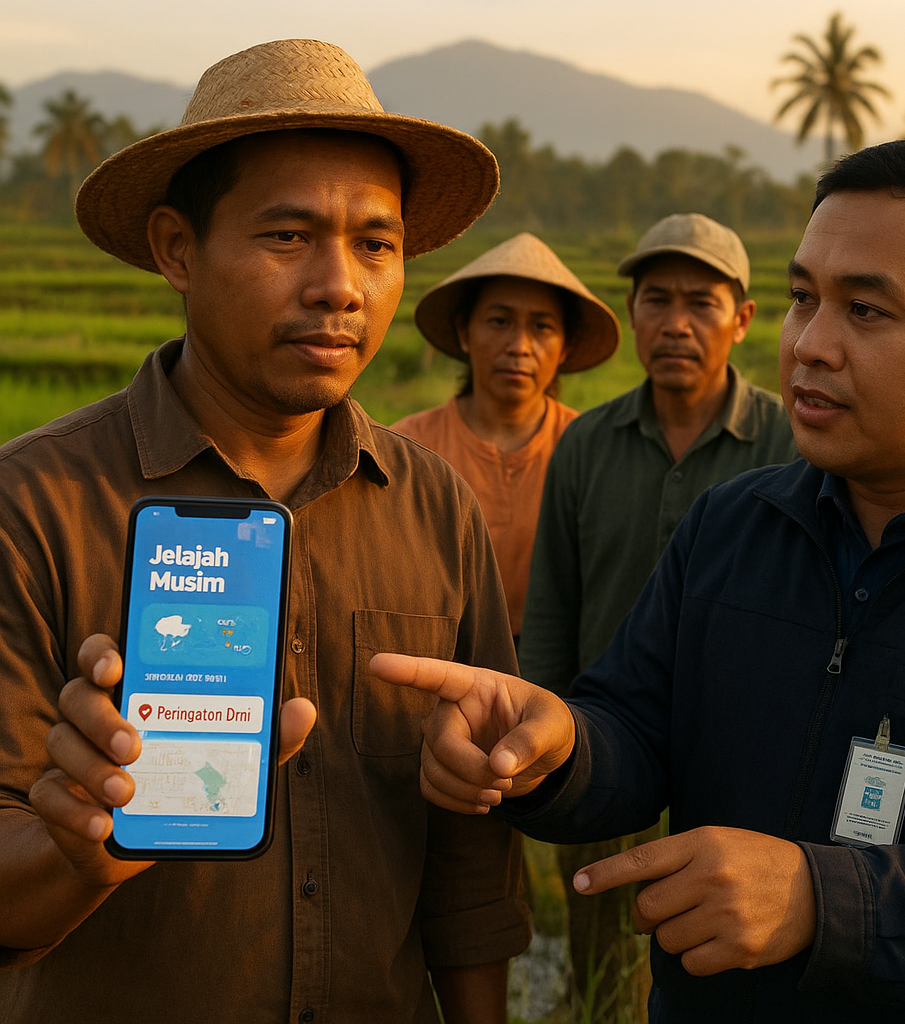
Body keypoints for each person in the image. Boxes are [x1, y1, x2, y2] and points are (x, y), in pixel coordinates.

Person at [371, 138, 905, 1023]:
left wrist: (823, 901)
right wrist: (555, 744)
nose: (810, 346)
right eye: (803, 299)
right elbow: (636, 727)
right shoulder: (733, 524)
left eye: (866, 310)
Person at [0, 39, 530, 1024]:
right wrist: (74, 851)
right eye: (288, 237)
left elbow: (468, 861)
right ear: (176, 249)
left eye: (376, 243)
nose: (342, 285)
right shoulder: (33, 506)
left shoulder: (437, 507)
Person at [516, 213, 796, 1015]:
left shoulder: (791, 444)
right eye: (657, 300)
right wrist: (544, 743)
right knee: (600, 963)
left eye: (701, 303)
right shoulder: (587, 446)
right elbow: (553, 606)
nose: (676, 323)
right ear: (632, 313)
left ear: (742, 320)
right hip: (610, 748)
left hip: (748, 759)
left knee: (725, 975)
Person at [392, 232, 619, 641]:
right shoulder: (408, 449)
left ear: (565, 346)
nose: (519, 346)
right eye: (499, 322)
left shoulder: (592, 449)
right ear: (464, 332)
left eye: (542, 327)